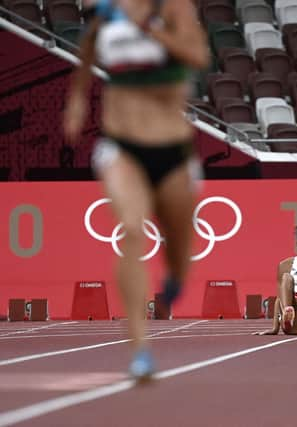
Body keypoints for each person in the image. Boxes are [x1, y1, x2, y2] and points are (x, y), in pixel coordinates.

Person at [63, 0, 209, 381]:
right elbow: (87, 54)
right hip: (121, 145)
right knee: (130, 229)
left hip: (172, 149)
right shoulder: (105, 11)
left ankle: (175, 278)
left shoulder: (174, 9)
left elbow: (197, 55)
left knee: (178, 249)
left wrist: (149, 28)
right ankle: (140, 350)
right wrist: (77, 99)